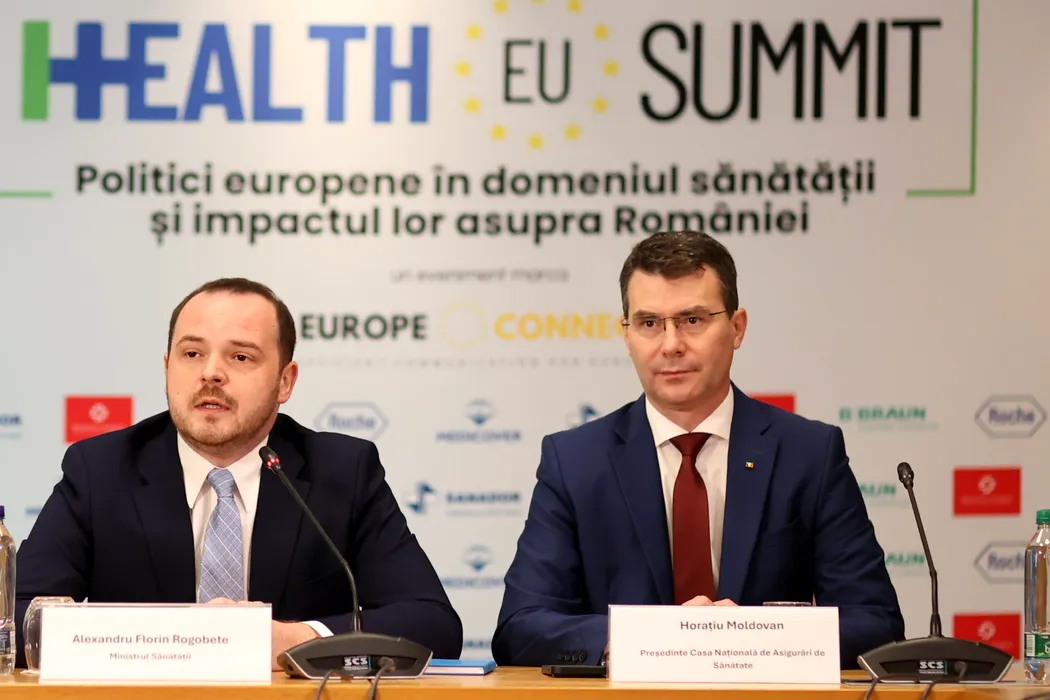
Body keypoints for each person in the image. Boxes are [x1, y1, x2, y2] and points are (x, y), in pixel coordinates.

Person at [491, 230, 904, 670]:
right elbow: (521, 627)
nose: (671, 344)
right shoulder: (574, 461)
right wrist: (648, 637)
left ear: (737, 327)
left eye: (692, 319)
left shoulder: (809, 454)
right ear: (626, 334)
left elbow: (875, 622)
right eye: (649, 323)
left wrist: (750, 636)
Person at [15, 277, 462, 669]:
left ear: (285, 381)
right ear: (167, 368)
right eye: (192, 353)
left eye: (241, 357)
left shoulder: (342, 471)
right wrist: (167, 640)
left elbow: (433, 624)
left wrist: (295, 640)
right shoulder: (101, 470)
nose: (211, 373)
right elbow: (15, 618)